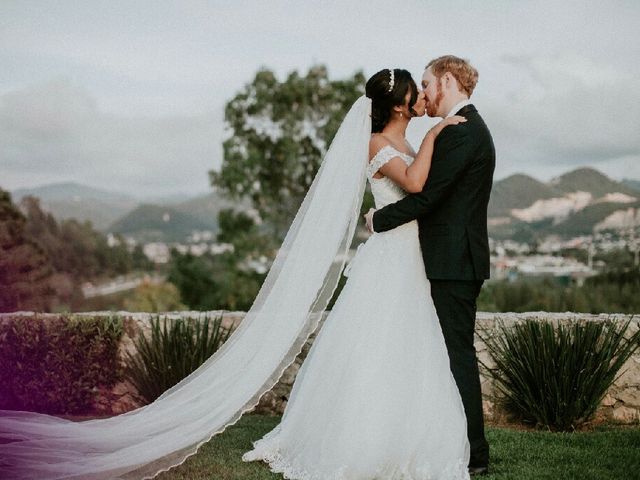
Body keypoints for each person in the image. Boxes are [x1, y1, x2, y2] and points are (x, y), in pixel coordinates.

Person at [241, 68, 472, 479]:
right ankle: (357, 437)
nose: (423, 95)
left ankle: (401, 435)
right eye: (414, 91)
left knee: (410, 347)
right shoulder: (377, 144)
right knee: (373, 346)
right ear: (399, 104)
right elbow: (418, 184)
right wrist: (437, 134)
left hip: (412, 256)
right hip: (391, 259)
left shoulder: (405, 141)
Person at [365, 55, 495, 475]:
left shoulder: (462, 131)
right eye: (416, 88)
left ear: (447, 80)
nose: (422, 94)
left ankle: (473, 454)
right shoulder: (460, 129)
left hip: (453, 262)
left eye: (426, 84)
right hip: (445, 260)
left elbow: (426, 196)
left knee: (456, 357)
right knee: (440, 355)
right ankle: (441, 440)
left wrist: (377, 220)